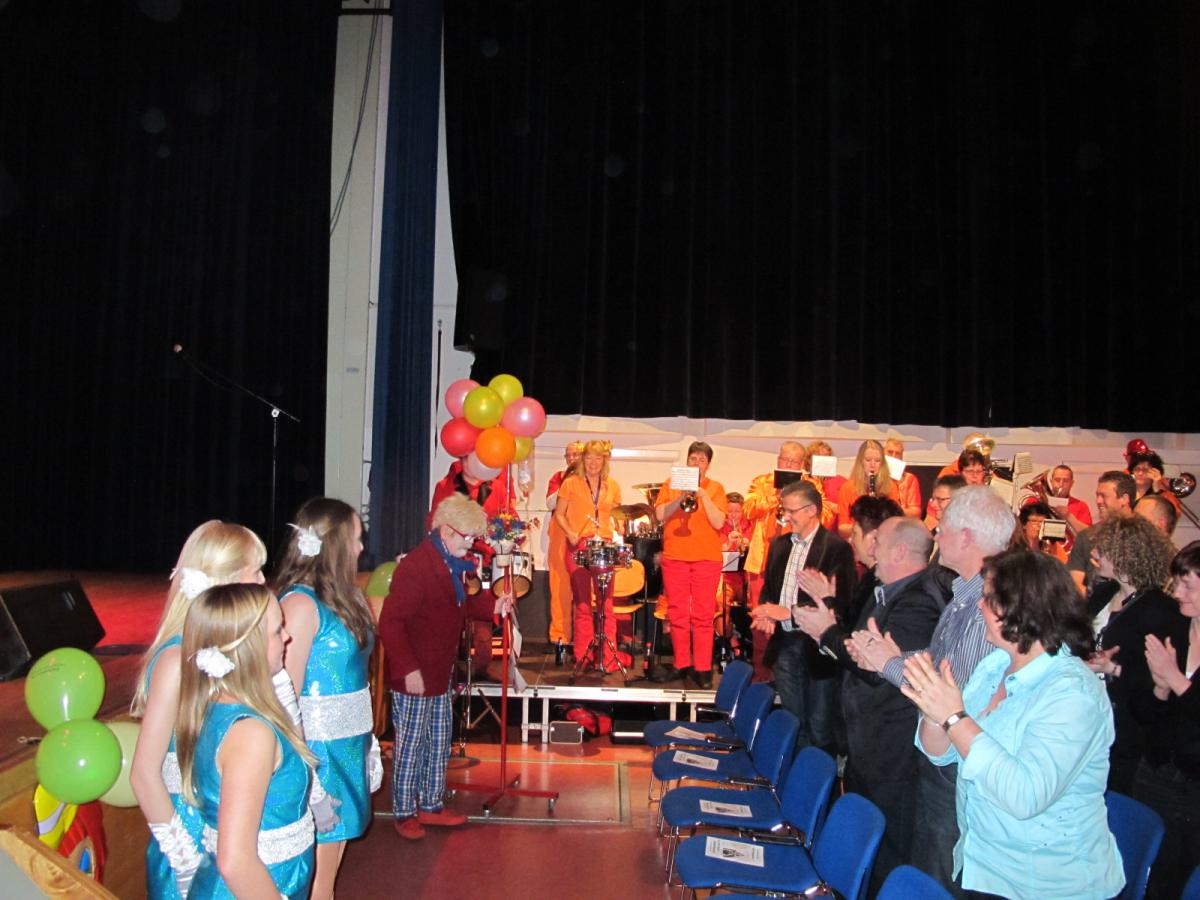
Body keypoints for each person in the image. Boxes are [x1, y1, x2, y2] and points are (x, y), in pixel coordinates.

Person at [902, 549, 1125, 899]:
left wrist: (953, 717)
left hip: (1047, 883)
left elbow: (1024, 795)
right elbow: (943, 754)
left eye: (989, 598)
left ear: (1023, 608)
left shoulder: (1073, 694)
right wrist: (933, 714)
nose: (980, 606)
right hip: (986, 865)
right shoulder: (994, 667)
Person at [846, 485, 1015, 893]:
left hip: (955, 768)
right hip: (940, 756)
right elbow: (940, 660)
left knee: (937, 879)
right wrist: (895, 657)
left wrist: (888, 662)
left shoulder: (988, 602)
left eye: (944, 526)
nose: (936, 533)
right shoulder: (963, 594)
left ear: (967, 537)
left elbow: (954, 686)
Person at [793, 509, 945, 889]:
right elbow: (856, 647)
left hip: (890, 753)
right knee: (864, 849)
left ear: (899, 552)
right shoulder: (887, 592)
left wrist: (826, 632)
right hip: (867, 746)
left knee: (884, 855)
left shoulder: (918, 603)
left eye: (879, 543)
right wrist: (829, 612)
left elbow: (876, 669)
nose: (871, 550)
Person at [130, 521, 267, 900]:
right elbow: (143, 774)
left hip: (220, 823)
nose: (262, 581)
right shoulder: (177, 659)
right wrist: (184, 859)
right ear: (225, 580)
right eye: (255, 570)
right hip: (189, 833)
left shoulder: (221, 646)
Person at [379, 494, 514, 840]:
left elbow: (460, 604)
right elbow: (390, 623)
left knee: (439, 742)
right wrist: (408, 669)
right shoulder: (416, 567)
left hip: (439, 672)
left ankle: (431, 803)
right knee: (410, 746)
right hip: (416, 675)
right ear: (446, 531)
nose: (471, 545)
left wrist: (493, 606)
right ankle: (405, 811)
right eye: (467, 538)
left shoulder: (448, 564)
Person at [177, 583, 318, 899]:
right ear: (248, 647)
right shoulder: (251, 733)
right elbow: (236, 861)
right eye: (277, 631)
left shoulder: (222, 707)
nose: (287, 637)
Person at [275, 499, 378, 900]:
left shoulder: (344, 597)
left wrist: (367, 742)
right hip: (319, 753)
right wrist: (307, 776)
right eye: (355, 537)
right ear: (334, 543)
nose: (361, 547)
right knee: (317, 873)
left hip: (347, 745)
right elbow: (283, 696)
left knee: (330, 866)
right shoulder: (300, 605)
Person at [752, 479, 856, 754]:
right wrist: (766, 612)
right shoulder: (779, 544)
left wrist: (788, 613)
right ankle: (791, 777)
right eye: (784, 510)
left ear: (812, 510)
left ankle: (818, 780)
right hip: (785, 645)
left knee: (820, 728)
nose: (786, 517)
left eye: (791, 511)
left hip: (818, 650)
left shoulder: (836, 548)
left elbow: (841, 605)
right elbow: (770, 589)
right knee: (792, 725)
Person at [1086, 514, 1187, 794]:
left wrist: (1113, 668)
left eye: (1103, 549)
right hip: (1092, 712)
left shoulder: (1160, 610)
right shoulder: (1103, 592)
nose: (1095, 554)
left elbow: (1156, 679)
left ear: (1125, 556)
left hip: (1127, 728)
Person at [1136, 542, 1200, 899]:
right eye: (1176, 583)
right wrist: (1160, 689)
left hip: (1195, 788)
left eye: (1188, 585)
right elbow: (1144, 713)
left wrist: (1175, 679)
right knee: (1145, 870)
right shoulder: (1174, 629)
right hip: (1156, 770)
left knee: (1177, 879)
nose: (1177, 593)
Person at [742, 442, 828, 681]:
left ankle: (790, 674)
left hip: (799, 562)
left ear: (802, 464)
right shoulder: (762, 482)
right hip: (762, 562)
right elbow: (748, 510)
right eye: (784, 460)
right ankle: (762, 675)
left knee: (795, 618)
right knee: (760, 619)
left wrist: (797, 499)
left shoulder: (812, 486)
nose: (788, 465)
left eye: (794, 462)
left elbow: (826, 515)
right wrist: (777, 497)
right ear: (778, 459)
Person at [427, 457, 516, 682]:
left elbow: (508, 519)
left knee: (484, 614)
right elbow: (434, 522)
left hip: (485, 558)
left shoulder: (497, 487)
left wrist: (507, 536)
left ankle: (481, 667)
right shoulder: (445, 485)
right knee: (451, 613)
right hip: (454, 558)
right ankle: (448, 668)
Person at [655, 441, 728, 688]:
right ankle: (681, 663)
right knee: (677, 613)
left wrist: (702, 494)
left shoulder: (716, 488)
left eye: (701, 460)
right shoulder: (671, 483)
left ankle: (703, 668)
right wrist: (681, 496)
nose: (696, 463)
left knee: (703, 615)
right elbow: (659, 514)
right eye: (693, 458)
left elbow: (718, 522)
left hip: (706, 558)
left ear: (708, 465)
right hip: (675, 556)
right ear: (687, 461)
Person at [555, 439, 623, 671]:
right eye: (589, 457)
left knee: (606, 604)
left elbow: (617, 516)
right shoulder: (571, 483)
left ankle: (608, 658)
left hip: (604, 548)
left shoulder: (612, 485)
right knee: (583, 603)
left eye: (598, 457)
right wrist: (571, 533)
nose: (593, 462)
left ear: (605, 460)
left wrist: (620, 528)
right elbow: (559, 514)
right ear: (583, 459)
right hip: (579, 547)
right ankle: (583, 656)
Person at [545, 441, 585, 658]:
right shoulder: (558, 477)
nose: (572, 458)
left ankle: (583, 638)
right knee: (560, 589)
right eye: (569, 455)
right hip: (560, 537)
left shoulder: (592, 479)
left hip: (582, 535)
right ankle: (560, 637)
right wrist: (568, 482)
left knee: (583, 590)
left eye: (576, 454)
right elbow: (550, 504)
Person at [1067, 470, 1136, 594]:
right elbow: (1074, 582)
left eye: (1104, 496)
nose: (1098, 501)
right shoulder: (1086, 536)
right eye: (1097, 495)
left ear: (1124, 499)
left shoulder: (1141, 537)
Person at [836, 439, 900, 538]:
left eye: (877, 461)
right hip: (856, 541)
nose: (872, 465)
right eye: (868, 460)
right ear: (861, 462)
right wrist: (866, 527)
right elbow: (842, 528)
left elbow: (895, 522)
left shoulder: (890, 487)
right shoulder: (847, 488)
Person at [884, 438, 923, 518]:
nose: (893, 456)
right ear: (882, 454)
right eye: (890, 452)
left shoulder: (910, 479)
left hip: (902, 522)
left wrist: (894, 510)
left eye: (897, 454)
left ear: (901, 457)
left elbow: (916, 513)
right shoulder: (873, 477)